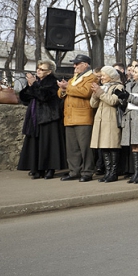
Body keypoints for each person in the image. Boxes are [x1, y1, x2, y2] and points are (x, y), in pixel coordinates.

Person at [17, 60, 65, 180]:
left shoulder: (53, 82)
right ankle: (36, 168)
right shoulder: (36, 82)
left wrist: (34, 85)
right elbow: (25, 98)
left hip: (49, 116)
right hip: (34, 117)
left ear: (49, 72)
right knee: (35, 143)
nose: (38, 70)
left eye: (42, 69)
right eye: (38, 68)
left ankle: (50, 168)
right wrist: (29, 86)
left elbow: (44, 96)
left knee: (48, 143)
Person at [58, 54, 98, 182]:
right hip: (69, 117)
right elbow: (60, 94)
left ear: (85, 64)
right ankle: (74, 171)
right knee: (72, 148)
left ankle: (87, 172)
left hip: (83, 117)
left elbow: (86, 92)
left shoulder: (92, 77)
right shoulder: (74, 79)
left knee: (85, 147)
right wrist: (63, 88)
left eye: (77, 63)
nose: (74, 66)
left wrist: (67, 88)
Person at [89, 66, 124, 182]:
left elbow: (113, 101)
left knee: (112, 147)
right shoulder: (102, 87)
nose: (101, 78)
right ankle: (107, 172)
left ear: (111, 76)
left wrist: (100, 92)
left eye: (104, 75)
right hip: (101, 120)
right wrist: (95, 94)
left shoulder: (119, 86)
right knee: (104, 147)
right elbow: (93, 104)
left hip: (111, 120)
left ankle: (113, 173)